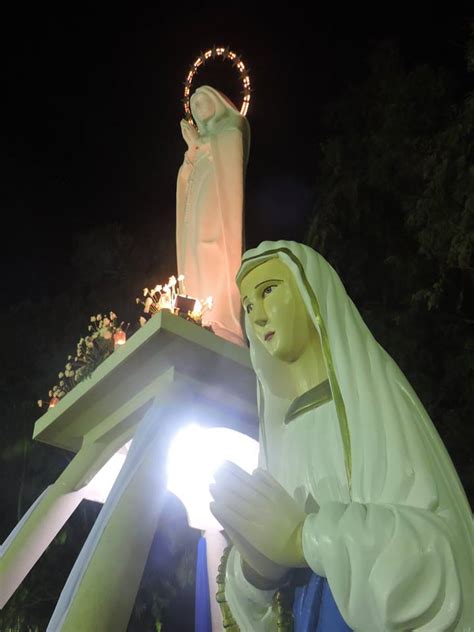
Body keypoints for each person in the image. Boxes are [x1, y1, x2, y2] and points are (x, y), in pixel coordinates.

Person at [210, 240, 473, 630]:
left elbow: (443, 554)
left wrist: (305, 539)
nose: (258, 317)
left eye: (268, 291)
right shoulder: (279, 436)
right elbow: (264, 600)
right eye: (248, 306)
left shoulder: (376, 400)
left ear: (312, 292)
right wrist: (254, 572)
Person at [176, 85, 251, 346]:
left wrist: (200, 145)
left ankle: (221, 319)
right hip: (196, 208)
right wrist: (191, 152)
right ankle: (198, 315)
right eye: (193, 104)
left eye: (202, 100)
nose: (197, 106)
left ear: (217, 102)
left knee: (213, 250)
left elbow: (230, 145)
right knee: (194, 250)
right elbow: (185, 176)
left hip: (217, 206)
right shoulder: (199, 146)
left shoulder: (230, 131)